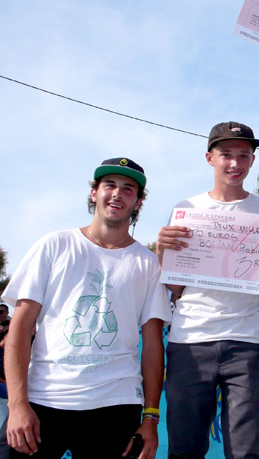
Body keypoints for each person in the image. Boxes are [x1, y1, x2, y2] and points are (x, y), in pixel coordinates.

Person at [155, 122, 259, 459]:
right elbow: (174, 286)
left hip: (249, 344)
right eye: (226, 154)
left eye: (244, 155)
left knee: (246, 452)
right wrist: (162, 252)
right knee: (184, 449)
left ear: (253, 160)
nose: (235, 163)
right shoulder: (187, 209)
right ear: (209, 158)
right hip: (189, 341)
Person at [2, 157, 170, 458]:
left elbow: (153, 344)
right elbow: (21, 326)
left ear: (138, 201)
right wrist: (17, 405)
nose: (117, 194)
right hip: (43, 400)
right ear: (94, 193)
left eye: (128, 189)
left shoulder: (148, 264)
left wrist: (150, 418)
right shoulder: (54, 245)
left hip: (115, 406)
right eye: (110, 185)